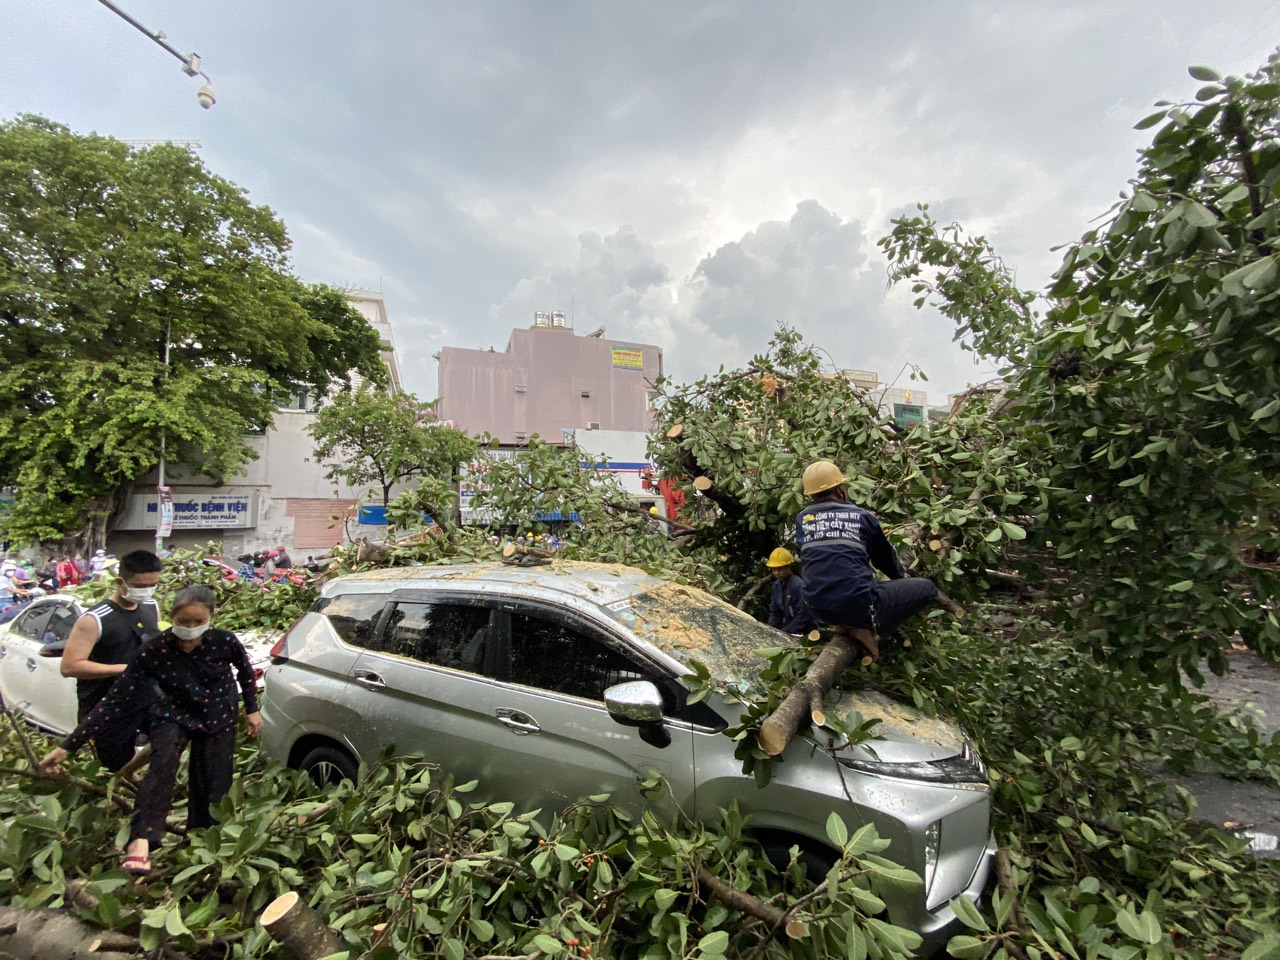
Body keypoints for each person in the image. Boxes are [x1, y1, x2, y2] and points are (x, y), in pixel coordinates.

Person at [40, 584, 262, 876]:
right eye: (184, 622)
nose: (191, 629)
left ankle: (202, 842)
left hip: (217, 713)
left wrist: (252, 710)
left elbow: (245, 673)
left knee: (212, 779)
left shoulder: (224, 641)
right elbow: (115, 701)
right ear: (172, 618)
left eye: (198, 622)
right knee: (161, 767)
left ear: (210, 619)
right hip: (173, 713)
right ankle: (142, 840)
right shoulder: (154, 650)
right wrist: (67, 746)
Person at [794, 460, 937, 660]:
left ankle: (845, 623)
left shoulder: (802, 519)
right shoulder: (862, 516)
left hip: (817, 607)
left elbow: (823, 558)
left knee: (844, 585)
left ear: (810, 494)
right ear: (841, 489)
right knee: (927, 589)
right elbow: (884, 559)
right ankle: (867, 627)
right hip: (859, 605)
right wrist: (900, 578)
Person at [58, 550, 163, 771]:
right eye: (139, 585)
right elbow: (69, 666)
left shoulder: (151, 607)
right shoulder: (95, 619)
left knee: (167, 742)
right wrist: (123, 669)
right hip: (105, 707)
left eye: (152, 585)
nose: (146, 591)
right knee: (114, 767)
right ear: (120, 581)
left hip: (145, 699)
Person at [766, 547, 818, 635]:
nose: (777, 573)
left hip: (806, 632)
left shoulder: (798, 585)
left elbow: (803, 616)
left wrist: (784, 632)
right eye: (774, 569)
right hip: (791, 629)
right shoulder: (776, 586)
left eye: (780, 569)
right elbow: (775, 613)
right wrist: (771, 631)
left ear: (789, 567)